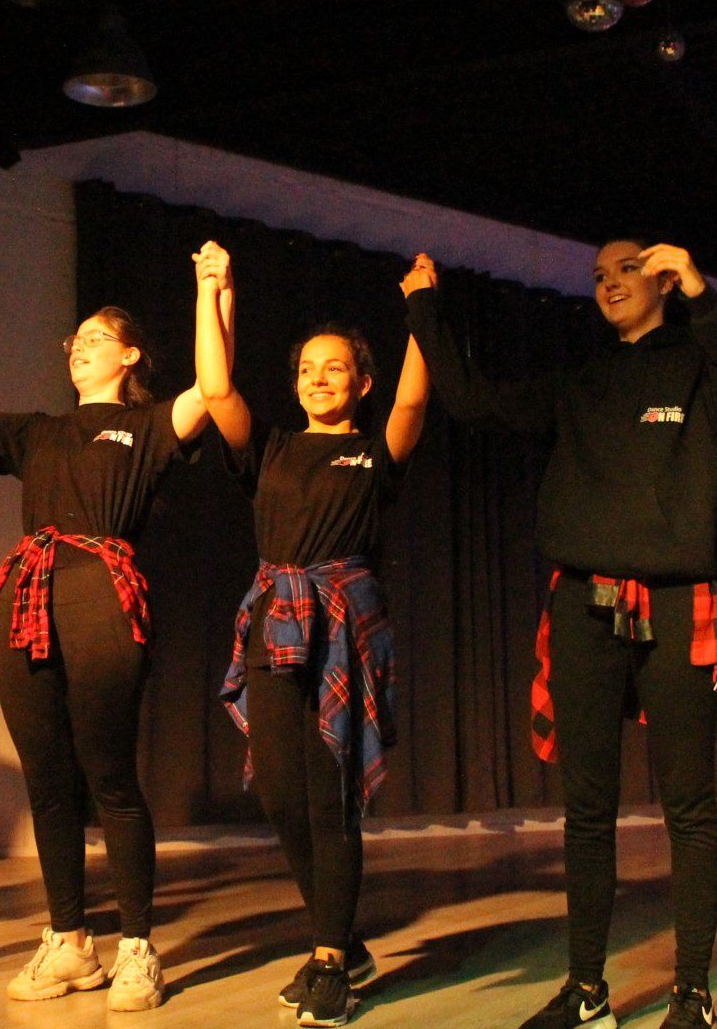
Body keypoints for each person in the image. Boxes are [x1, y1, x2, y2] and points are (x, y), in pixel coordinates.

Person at [404, 240, 717, 1029]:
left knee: (688, 807)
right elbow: (471, 400)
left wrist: (705, 293)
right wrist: (424, 306)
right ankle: (586, 990)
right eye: (599, 276)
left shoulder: (700, 365)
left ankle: (692, 993)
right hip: (584, 606)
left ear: (663, 278)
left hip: (678, 604)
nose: (609, 283)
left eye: (626, 269)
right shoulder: (580, 382)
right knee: (586, 810)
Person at [0, 274, 212, 1012]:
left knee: (109, 775)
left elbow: (214, 387)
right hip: (27, 595)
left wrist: (211, 292)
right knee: (46, 778)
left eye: (97, 338)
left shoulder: (146, 427)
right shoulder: (39, 430)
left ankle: (137, 947)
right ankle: (70, 940)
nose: (79, 348)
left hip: (100, 591)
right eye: (75, 340)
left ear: (130, 356)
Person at [193, 241, 429, 1027]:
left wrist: (421, 315)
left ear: (361, 382)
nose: (318, 378)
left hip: (343, 627)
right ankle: (343, 939)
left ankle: (330, 958)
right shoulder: (270, 448)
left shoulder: (371, 453)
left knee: (331, 802)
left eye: (335, 368)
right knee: (281, 796)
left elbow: (412, 407)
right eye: (306, 369)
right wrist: (211, 291)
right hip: (274, 620)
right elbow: (215, 388)